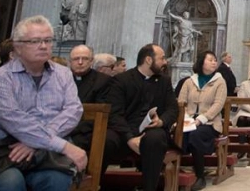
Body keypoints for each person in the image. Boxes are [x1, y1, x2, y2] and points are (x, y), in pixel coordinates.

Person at [0, 15, 87, 191]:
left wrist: (36, 142)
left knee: (56, 180)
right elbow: (17, 123)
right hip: (5, 152)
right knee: (11, 183)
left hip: (47, 155)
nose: (43, 46)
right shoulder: (0, 80)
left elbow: (73, 110)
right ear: (18, 46)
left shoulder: (63, 73)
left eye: (48, 40)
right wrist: (63, 145)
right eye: (35, 41)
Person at [105, 44, 178, 191]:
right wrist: (129, 137)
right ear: (149, 60)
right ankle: (95, 184)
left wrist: (161, 121)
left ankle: (149, 187)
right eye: (162, 58)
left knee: (154, 139)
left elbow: (172, 108)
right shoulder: (121, 80)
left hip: (152, 129)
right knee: (105, 139)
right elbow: (115, 113)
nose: (165, 62)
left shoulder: (164, 81)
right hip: (124, 129)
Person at [178, 50, 227, 191]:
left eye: (215, 60)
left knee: (196, 134)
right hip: (188, 120)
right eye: (210, 59)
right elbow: (181, 102)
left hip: (210, 123)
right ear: (202, 62)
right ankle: (173, 169)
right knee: (174, 133)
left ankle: (200, 176)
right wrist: (186, 118)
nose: (214, 62)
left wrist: (201, 119)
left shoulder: (219, 81)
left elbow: (218, 105)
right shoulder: (189, 81)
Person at [68, 44, 113, 154]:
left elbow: (100, 113)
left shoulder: (103, 81)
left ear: (91, 61)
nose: (80, 62)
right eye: (76, 59)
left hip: (85, 130)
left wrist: (71, 129)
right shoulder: (61, 78)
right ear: (69, 61)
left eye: (84, 58)